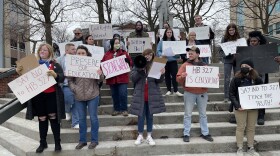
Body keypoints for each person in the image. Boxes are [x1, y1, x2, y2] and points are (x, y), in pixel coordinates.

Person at [17, 43, 65, 153]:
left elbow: (62, 78)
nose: (42, 52)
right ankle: (42, 142)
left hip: (52, 95)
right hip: (38, 97)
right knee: (42, 119)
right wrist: (20, 72)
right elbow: (26, 79)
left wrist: (55, 75)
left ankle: (57, 142)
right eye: (40, 50)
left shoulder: (55, 64)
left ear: (50, 52)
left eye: (45, 50)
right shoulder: (33, 65)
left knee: (53, 119)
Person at [68, 45, 104, 150]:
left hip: (93, 94)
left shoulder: (93, 64)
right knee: (81, 119)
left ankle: (94, 140)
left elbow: (100, 80)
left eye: (83, 53)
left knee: (93, 118)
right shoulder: (73, 65)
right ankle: (82, 141)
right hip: (78, 96)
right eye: (78, 53)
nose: (81, 55)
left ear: (87, 54)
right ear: (76, 54)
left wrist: (100, 74)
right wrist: (73, 88)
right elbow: (70, 80)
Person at [176, 46, 213, 143]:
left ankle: (205, 133)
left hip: (202, 93)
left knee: (203, 114)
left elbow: (211, 78)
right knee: (187, 114)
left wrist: (215, 76)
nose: (190, 54)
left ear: (198, 54)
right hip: (189, 93)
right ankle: (186, 133)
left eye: (192, 53)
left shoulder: (205, 66)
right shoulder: (185, 65)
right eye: (189, 53)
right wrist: (182, 77)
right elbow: (177, 78)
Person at [130, 49, 166, 146]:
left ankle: (149, 135)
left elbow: (159, 81)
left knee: (150, 116)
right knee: (141, 116)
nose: (148, 56)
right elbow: (133, 78)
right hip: (140, 95)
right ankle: (140, 135)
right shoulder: (138, 64)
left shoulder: (156, 65)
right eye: (146, 54)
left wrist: (162, 74)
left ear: (153, 55)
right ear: (143, 55)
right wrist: (139, 70)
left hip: (152, 95)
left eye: (150, 54)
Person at [229, 59, 263, 156]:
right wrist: (237, 105)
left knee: (251, 128)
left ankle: (250, 147)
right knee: (240, 127)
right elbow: (231, 93)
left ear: (251, 67)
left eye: (246, 66)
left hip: (253, 107)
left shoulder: (257, 78)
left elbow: (262, 91)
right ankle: (240, 148)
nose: (244, 68)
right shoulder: (236, 78)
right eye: (242, 66)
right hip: (240, 107)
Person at [101, 38, 133, 116]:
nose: (118, 44)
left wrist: (128, 62)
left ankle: (124, 109)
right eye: (116, 43)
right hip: (112, 79)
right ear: (112, 44)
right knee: (114, 94)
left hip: (122, 78)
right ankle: (116, 109)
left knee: (123, 93)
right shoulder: (107, 54)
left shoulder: (124, 53)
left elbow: (131, 62)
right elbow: (102, 64)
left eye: (118, 43)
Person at [56, 43, 79, 129]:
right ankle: (67, 111)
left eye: (75, 49)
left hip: (76, 84)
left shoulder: (79, 58)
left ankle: (76, 122)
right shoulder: (59, 60)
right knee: (68, 100)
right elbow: (56, 72)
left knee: (76, 102)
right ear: (66, 51)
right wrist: (62, 74)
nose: (75, 50)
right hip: (65, 84)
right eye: (73, 49)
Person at [247, 31, 267, 125]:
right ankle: (247, 114)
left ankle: (261, 115)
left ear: (258, 42)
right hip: (249, 75)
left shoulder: (264, 50)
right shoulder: (246, 51)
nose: (253, 43)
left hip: (261, 74)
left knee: (261, 93)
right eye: (251, 41)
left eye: (255, 41)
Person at [157, 28, 183, 96]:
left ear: (172, 33)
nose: (169, 33)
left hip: (173, 61)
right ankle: (168, 90)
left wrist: (176, 54)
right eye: (168, 32)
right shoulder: (162, 41)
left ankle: (176, 90)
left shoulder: (175, 41)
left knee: (175, 76)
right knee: (167, 75)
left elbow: (179, 52)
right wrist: (162, 54)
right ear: (165, 33)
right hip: (165, 61)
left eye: (170, 32)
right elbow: (158, 50)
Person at [219, 23, 240, 104]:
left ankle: (237, 95)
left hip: (237, 60)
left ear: (235, 30)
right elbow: (220, 51)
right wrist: (227, 54)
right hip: (227, 60)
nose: (231, 31)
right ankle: (226, 96)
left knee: (237, 78)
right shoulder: (224, 39)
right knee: (227, 78)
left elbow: (243, 49)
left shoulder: (239, 38)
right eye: (230, 30)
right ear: (228, 31)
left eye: (233, 30)